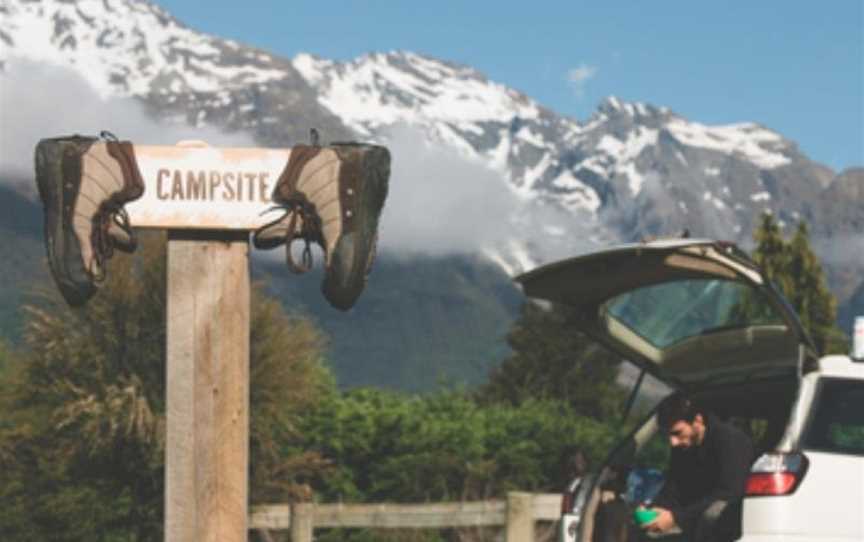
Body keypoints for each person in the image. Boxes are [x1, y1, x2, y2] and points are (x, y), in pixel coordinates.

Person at [640, 392, 755, 541]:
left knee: (714, 513)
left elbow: (730, 492)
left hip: (729, 521)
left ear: (697, 420)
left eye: (677, 433)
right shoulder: (683, 447)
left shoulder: (730, 440)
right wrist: (654, 508)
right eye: (668, 435)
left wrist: (676, 517)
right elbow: (673, 488)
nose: (673, 442)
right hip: (694, 517)